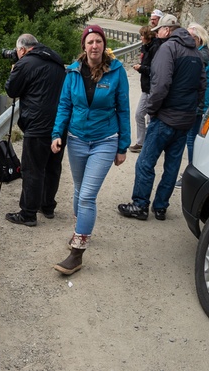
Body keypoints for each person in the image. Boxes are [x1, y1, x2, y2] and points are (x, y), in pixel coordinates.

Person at [50, 25, 130, 275]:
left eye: (98, 41)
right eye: (90, 41)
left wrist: (123, 146)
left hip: (105, 140)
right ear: (84, 46)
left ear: (104, 45)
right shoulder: (73, 72)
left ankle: (77, 253)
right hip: (76, 139)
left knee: (86, 196)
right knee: (77, 188)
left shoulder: (117, 72)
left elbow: (124, 109)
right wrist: (57, 133)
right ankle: (80, 229)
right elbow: (64, 104)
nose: (94, 46)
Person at [118, 14, 204, 221]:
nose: (157, 34)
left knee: (145, 162)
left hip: (165, 117)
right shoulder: (196, 53)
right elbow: (202, 86)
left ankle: (139, 205)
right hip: (185, 120)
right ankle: (160, 207)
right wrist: (190, 110)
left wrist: (152, 109)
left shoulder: (168, 48)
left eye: (159, 31)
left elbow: (161, 84)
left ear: (167, 30)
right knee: (172, 166)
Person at [3, 34, 66, 226]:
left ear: (22, 50)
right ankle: (47, 206)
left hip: (37, 124)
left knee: (33, 169)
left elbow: (11, 90)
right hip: (59, 123)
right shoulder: (55, 59)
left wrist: (14, 70)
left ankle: (28, 213)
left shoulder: (26, 63)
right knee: (53, 167)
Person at [185, 23, 209, 166]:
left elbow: (197, 82)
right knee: (195, 137)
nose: (187, 40)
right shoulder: (205, 53)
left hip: (199, 102)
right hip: (202, 101)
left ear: (199, 38)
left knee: (192, 138)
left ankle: (192, 168)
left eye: (190, 37)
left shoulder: (201, 56)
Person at [130, 25, 162, 153]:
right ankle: (141, 142)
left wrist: (141, 68)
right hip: (146, 87)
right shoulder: (148, 48)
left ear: (147, 37)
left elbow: (155, 70)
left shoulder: (155, 49)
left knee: (149, 117)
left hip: (151, 87)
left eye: (142, 36)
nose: (140, 38)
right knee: (140, 115)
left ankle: (148, 144)